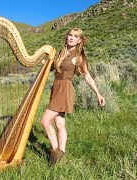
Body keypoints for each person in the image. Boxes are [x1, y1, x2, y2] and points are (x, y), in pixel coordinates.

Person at [40, 28, 105, 165]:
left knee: (45, 121)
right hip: (56, 88)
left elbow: (87, 75)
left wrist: (98, 93)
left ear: (79, 41)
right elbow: (51, 68)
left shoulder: (78, 57)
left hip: (65, 89)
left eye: (75, 36)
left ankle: (56, 153)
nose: (71, 38)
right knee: (59, 124)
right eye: (70, 35)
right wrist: (44, 61)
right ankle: (61, 155)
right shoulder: (61, 53)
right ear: (66, 37)